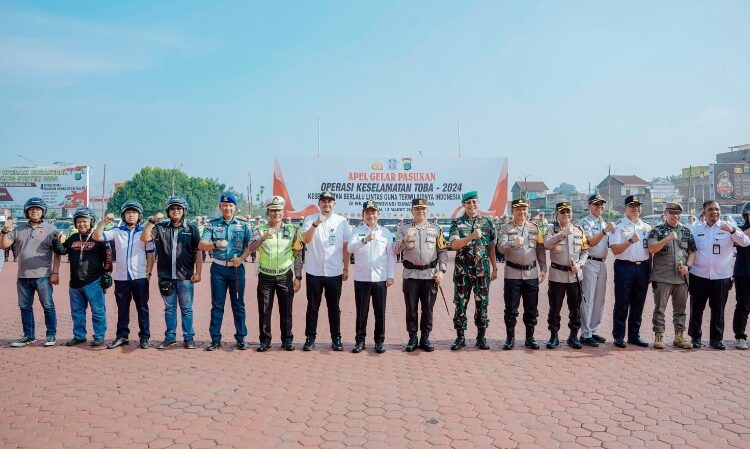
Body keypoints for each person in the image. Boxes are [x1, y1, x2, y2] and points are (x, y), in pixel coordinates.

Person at [142, 196, 202, 350]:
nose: (175, 211)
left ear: (184, 211)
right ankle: (170, 337)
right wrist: (152, 221)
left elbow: (198, 252)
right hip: (166, 277)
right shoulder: (161, 227)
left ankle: (189, 338)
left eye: (179, 208)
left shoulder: (191, 228)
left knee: (187, 309)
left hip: (186, 277)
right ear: (168, 211)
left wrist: (198, 272)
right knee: (169, 309)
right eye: (172, 208)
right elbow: (145, 238)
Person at [688, 200, 750, 349]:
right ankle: (695, 338)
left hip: (721, 276)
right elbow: (690, 249)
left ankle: (716, 339)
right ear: (704, 212)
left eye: (717, 209)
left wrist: (733, 231)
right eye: (710, 209)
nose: (714, 212)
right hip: (699, 275)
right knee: (696, 309)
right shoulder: (696, 229)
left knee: (718, 310)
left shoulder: (728, 227)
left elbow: (745, 242)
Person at [93, 200, 155, 349]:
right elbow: (97, 236)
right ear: (123, 215)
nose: (131, 215)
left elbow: (151, 254)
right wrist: (104, 222)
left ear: (139, 215)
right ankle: (122, 336)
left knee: (142, 308)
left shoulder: (145, 232)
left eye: (134, 212)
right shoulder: (117, 231)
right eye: (128, 212)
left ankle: (145, 337)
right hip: (121, 278)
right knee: (122, 308)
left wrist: (149, 274)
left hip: (140, 277)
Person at [0, 198, 61, 347]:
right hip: (23, 277)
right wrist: (4, 230)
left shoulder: (51, 229)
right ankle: (28, 336)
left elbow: (57, 253)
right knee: (25, 307)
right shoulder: (18, 229)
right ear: (26, 211)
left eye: (38, 209)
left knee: (48, 306)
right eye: (31, 209)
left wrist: (55, 273)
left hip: (43, 276)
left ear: (43, 211)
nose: (34, 211)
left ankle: (51, 335)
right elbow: (3, 245)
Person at [247, 196, 303, 352]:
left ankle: (287, 340)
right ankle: (264, 340)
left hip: (285, 276)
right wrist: (263, 237)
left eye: (279, 210)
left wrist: (298, 276)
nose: (276, 213)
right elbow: (251, 247)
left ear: (283, 211)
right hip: (266, 276)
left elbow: (298, 253)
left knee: (286, 310)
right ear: (267, 212)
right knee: (264, 310)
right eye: (273, 210)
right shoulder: (260, 229)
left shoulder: (293, 229)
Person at [198, 193, 253, 351]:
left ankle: (241, 338)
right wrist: (215, 244)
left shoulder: (243, 225)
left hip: (236, 269)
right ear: (220, 207)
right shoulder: (212, 225)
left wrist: (242, 258)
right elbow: (202, 245)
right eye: (224, 205)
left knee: (238, 304)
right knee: (217, 305)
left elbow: (251, 245)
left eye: (230, 205)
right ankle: (215, 339)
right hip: (218, 269)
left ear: (235, 207)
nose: (228, 208)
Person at [300, 191, 352, 351]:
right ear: (319, 204)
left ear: (334, 204)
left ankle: (336, 338)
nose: (326, 204)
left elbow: (346, 246)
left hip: (334, 271)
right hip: (314, 271)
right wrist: (316, 223)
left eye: (330, 201)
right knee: (313, 306)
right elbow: (305, 240)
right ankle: (310, 338)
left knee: (334, 307)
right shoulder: (310, 220)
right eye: (324, 201)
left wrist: (346, 268)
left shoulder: (342, 221)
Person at [54, 207, 112, 347]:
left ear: (91, 221)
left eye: (84, 221)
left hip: (94, 281)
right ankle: (79, 336)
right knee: (77, 312)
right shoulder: (73, 238)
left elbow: (108, 257)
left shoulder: (98, 237)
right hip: (75, 283)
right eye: (78, 221)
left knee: (97, 310)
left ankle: (99, 336)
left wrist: (107, 273)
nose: (81, 224)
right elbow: (62, 251)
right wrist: (55, 241)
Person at [395, 198, 448, 352]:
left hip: (430, 275)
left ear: (427, 211)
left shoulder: (436, 229)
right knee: (411, 308)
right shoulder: (403, 229)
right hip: (410, 275)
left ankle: (425, 337)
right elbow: (395, 250)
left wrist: (441, 270)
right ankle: (412, 338)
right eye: (417, 209)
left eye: (423, 208)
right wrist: (404, 240)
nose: (420, 211)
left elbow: (442, 252)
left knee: (428, 308)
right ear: (412, 211)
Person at [448, 191, 498, 350]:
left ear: (478, 203)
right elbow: (454, 245)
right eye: (468, 203)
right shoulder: (457, 223)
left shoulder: (488, 221)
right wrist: (471, 237)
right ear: (463, 205)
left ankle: (481, 337)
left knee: (482, 303)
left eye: (474, 202)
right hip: (463, 271)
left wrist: (495, 267)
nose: (471, 205)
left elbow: (491, 247)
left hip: (482, 271)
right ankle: (460, 337)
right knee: (461, 303)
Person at [496, 198, 547, 350]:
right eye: (518, 209)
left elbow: (540, 250)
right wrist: (513, 243)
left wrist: (543, 268)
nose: (522, 212)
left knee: (531, 309)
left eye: (524, 209)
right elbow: (500, 248)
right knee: (511, 309)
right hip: (513, 274)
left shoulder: (535, 228)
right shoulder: (506, 228)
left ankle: (530, 338)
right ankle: (510, 338)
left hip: (531, 274)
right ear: (513, 211)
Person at [348, 201, 396, 353]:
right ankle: (360, 341)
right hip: (362, 278)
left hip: (380, 279)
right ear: (363, 215)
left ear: (378, 215)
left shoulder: (385, 233)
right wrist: (364, 240)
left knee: (380, 311)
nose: (370, 215)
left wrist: (390, 276)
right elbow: (350, 248)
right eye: (367, 213)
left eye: (373, 212)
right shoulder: (357, 231)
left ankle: (379, 341)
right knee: (362, 311)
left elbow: (391, 257)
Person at [646, 202, 695, 349]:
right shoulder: (657, 231)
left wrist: (688, 266)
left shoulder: (686, 231)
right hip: (662, 277)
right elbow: (652, 249)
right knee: (660, 308)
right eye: (672, 213)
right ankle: (659, 336)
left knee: (680, 309)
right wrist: (667, 239)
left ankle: (679, 337)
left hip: (681, 278)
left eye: (677, 213)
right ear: (665, 213)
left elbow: (693, 251)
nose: (675, 216)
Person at [608, 195, 652, 348]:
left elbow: (650, 250)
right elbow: (614, 250)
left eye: (638, 205)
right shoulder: (619, 226)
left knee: (638, 303)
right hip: (624, 267)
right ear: (625, 207)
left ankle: (634, 335)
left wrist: (650, 271)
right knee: (622, 302)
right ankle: (619, 336)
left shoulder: (647, 227)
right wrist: (630, 241)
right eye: (632, 205)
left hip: (643, 268)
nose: (635, 208)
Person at [544, 201, 589, 349]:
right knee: (555, 307)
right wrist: (561, 234)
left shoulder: (578, 230)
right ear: (557, 214)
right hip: (557, 275)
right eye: (563, 212)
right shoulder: (551, 229)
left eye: (568, 212)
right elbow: (546, 244)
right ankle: (553, 336)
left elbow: (585, 251)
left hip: (574, 276)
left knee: (575, 308)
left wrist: (580, 264)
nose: (566, 214)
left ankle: (573, 336)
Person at [578, 193, 615, 347]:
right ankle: (585, 333)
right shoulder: (585, 222)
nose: (599, 207)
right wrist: (605, 231)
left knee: (599, 299)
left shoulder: (603, 222)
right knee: (588, 298)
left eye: (601, 204)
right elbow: (591, 242)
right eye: (596, 204)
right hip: (590, 262)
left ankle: (593, 330)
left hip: (602, 263)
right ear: (589, 206)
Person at [733, 201, 750, 350]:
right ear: (746, 216)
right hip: (744, 274)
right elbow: (738, 241)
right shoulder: (740, 230)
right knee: (743, 306)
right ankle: (740, 336)